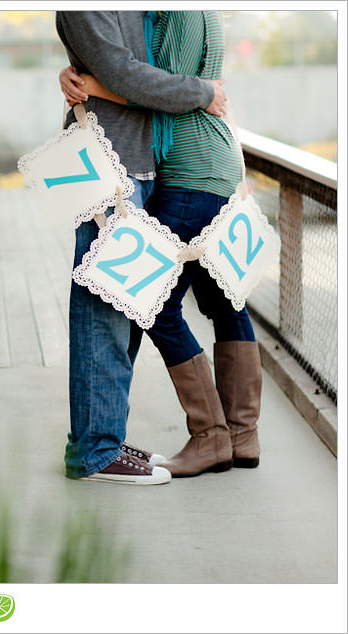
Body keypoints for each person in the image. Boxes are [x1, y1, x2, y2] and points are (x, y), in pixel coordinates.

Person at [60, 10, 262, 478]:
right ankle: (240, 435)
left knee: (153, 299)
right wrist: (82, 76)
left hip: (192, 166)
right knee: (222, 298)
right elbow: (132, 73)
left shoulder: (176, 12)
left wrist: (89, 84)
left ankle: (212, 437)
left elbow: (141, 79)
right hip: (209, 163)